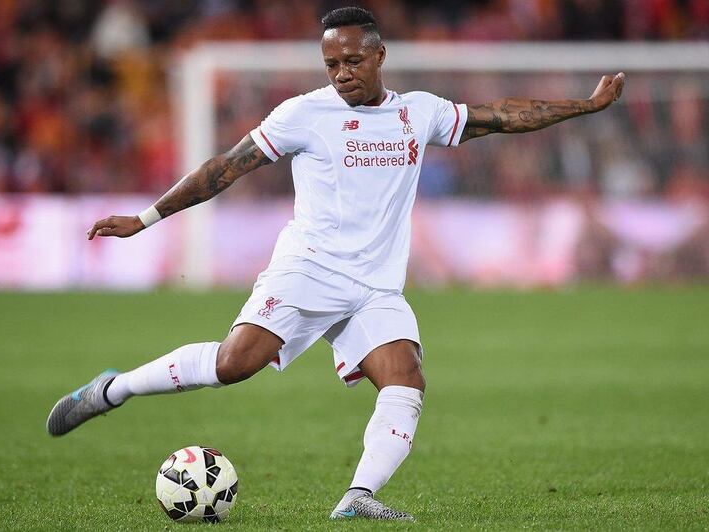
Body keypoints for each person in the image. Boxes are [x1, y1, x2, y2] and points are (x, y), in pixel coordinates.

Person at [47, 6, 625, 521]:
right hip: (309, 270)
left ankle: (359, 496)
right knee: (233, 365)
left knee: (405, 380)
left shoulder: (419, 115)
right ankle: (113, 389)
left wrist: (588, 106)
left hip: (375, 288)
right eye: (331, 64)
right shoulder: (304, 114)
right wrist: (144, 219)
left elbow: (500, 115)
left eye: (351, 61)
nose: (341, 73)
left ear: (379, 55)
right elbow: (223, 168)